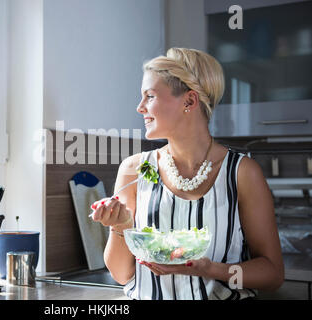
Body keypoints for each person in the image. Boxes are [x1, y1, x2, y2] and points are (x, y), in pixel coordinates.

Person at [90, 48, 284, 300]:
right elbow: (122, 274)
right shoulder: (135, 169)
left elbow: (272, 273)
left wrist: (212, 270)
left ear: (189, 102)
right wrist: (121, 226)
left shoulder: (241, 173)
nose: (140, 107)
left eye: (149, 96)